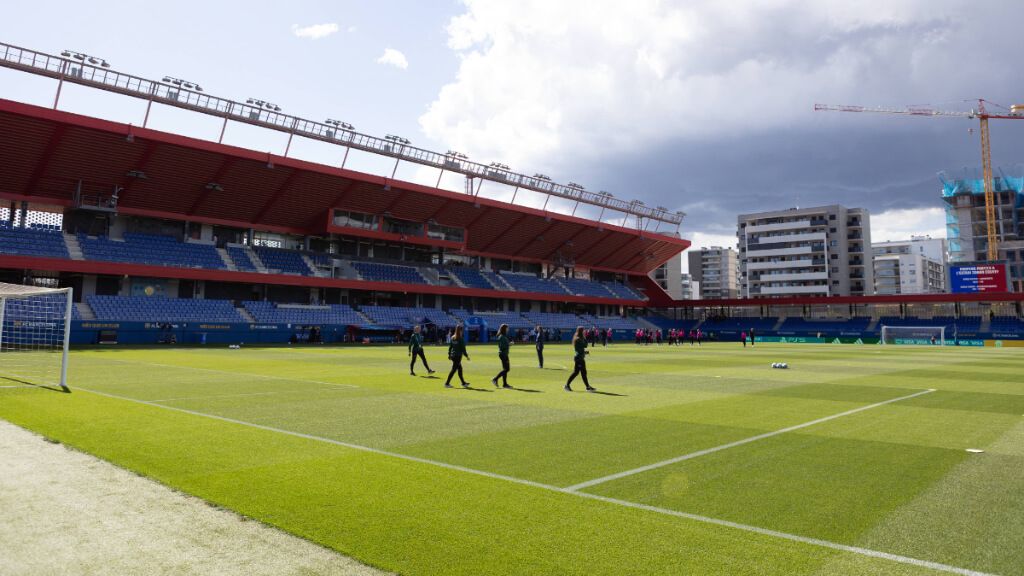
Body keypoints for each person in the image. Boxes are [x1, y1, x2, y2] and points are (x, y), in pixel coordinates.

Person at [565, 326, 596, 392]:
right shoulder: (578, 339)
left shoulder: (578, 338)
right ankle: (567, 385)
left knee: (583, 373)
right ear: (581, 331)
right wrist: (585, 337)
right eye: (583, 330)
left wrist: (584, 352)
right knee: (576, 372)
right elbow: (585, 345)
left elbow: (580, 349)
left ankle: (587, 387)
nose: (585, 331)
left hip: (580, 357)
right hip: (579, 358)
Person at [492, 323, 513, 388]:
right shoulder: (502, 337)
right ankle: (495, 379)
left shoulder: (502, 336)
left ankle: (504, 384)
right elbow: (503, 346)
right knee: (507, 369)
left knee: (505, 369)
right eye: (507, 328)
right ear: (504, 329)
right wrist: (509, 344)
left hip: (504, 354)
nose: (508, 329)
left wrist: (509, 344)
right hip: (503, 354)